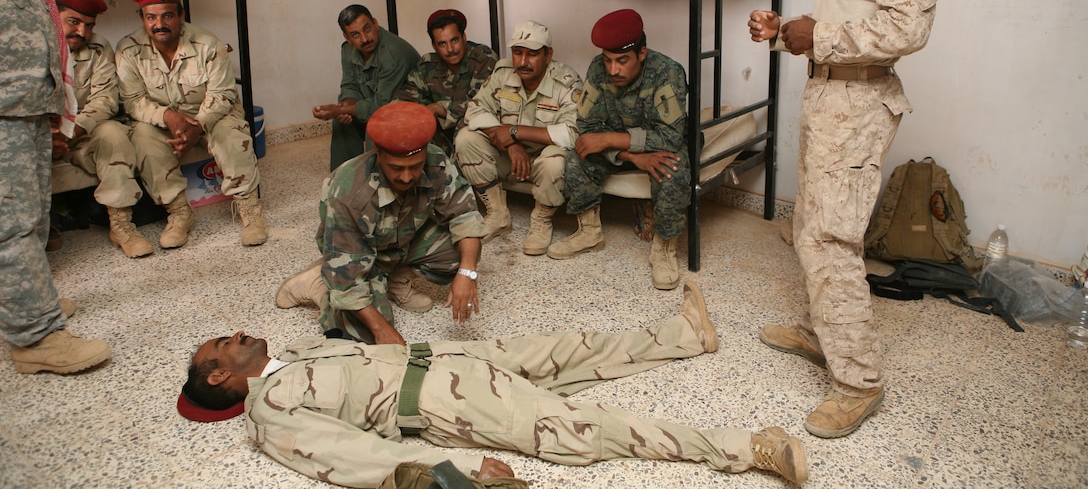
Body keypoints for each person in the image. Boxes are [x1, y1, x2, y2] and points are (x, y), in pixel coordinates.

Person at [180, 281, 807, 486]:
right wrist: (461, 468)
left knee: (566, 348)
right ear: (220, 376)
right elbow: (359, 458)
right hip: (443, 402)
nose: (235, 334)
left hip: (441, 357)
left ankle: (685, 335)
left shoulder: (293, 352)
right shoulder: (273, 412)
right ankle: (748, 448)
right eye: (222, 343)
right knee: (584, 429)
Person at [748, 0, 942, 439]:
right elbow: (845, 22)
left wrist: (821, 37)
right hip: (832, 99)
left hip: (858, 108)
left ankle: (858, 383)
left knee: (831, 238)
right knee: (814, 225)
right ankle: (825, 333)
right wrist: (784, 31)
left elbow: (908, 29)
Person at [0, 0, 111, 374]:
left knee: (31, 214)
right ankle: (35, 338)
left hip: (22, 102)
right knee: (13, 223)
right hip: (3, 106)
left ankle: (25, 304)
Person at [275, 101, 486, 345]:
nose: (406, 177)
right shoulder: (349, 193)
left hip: (404, 242)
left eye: (415, 167)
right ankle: (320, 286)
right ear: (377, 151)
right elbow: (349, 283)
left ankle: (392, 279)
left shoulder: (436, 162)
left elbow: (465, 215)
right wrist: (381, 329)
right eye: (396, 168)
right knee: (365, 334)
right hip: (357, 256)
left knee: (464, 250)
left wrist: (467, 272)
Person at [115, 0, 268, 249]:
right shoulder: (128, 50)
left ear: (181, 16)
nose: (159, 24)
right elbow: (133, 101)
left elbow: (222, 93)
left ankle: (250, 210)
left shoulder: (207, 44)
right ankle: (179, 213)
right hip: (164, 118)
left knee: (231, 135)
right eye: (151, 17)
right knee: (141, 136)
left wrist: (196, 126)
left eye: (167, 16)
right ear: (142, 19)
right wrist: (168, 117)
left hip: (212, 111)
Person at [549, 9, 690, 290]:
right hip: (624, 150)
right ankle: (589, 232)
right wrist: (629, 155)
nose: (613, 70)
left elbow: (670, 136)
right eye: (608, 60)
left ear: (642, 53)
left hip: (656, 147)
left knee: (673, 168)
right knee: (577, 155)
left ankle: (664, 248)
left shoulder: (667, 72)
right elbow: (588, 127)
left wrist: (611, 140)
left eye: (622, 61)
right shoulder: (597, 70)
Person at [455, 21, 582, 256]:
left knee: (555, 159)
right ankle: (498, 214)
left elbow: (572, 134)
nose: (523, 62)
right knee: (466, 138)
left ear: (548, 54)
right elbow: (475, 110)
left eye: (532, 54)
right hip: (510, 158)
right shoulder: (503, 74)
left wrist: (514, 131)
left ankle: (542, 220)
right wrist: (512, 144)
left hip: (544, 161)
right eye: (517, 53)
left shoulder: (566, 82)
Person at [50, 0, 153, 258]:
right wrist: (48, 136)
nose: (82, 32)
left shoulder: (98, 47)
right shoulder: (30, 47)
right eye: (74, 22)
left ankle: (121, 225)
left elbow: (106, 99)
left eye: (89, 24)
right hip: (40, 136)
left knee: (112, 132)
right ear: (51, 14)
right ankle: (41, 225)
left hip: (80, 132)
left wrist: (71, 131)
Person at [313, 4, 419, 171]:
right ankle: (343, 180)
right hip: (375, 107)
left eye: (367, 29)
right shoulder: (348, 50)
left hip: (407, 113)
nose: (364, 38)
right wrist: (345, 107)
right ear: (347, 37)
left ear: (375, 23)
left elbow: (381, 105)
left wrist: (341, 110)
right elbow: (349, 85)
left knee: (374, 127)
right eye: (355, 34)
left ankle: (375, 183)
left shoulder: (394, 54)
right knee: (342, 123)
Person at [395, 8, 498, 154]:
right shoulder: (427, 65)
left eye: (454, 40)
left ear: (464, 37)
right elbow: (405, 98)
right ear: (434, 46)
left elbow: (481, 106)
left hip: (475, 133)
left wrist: (438, 107)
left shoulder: (483, 58)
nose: (450, 49)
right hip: (442, 138)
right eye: (442, 44)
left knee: (468, 126)